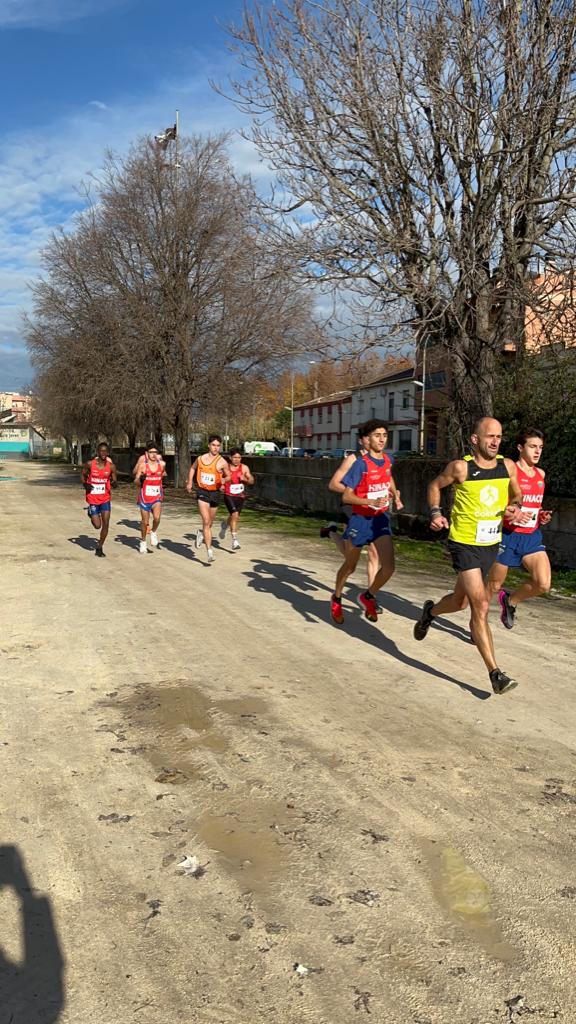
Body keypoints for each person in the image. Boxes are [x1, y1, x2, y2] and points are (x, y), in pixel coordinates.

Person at [413, 417, 529, 695]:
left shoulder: (507, 466)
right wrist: (436, 513)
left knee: (460, 601)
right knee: (480, 604)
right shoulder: (461, 468)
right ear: (475, 439)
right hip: (463, 544)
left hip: (490, 544)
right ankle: (495, 673)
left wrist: (513, 507)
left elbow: (517, 494)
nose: (495, 441)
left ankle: (430, 612)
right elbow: (433, 487)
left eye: (499, 436)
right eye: (490, 436)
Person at [330, 419, 403, 625]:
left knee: (389, 568)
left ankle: (368, 595)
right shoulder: (360, 464)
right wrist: (370, 500)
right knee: (350, 566)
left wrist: (395, 495)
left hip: (380, 520)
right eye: (377, 435)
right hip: (360, 521)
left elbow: (388, 477)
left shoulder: (388, 460)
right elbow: (346, 497)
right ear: (367, 440)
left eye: (385, 435)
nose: (382, 439)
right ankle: (336, 597)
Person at [487, 427, 553, 629]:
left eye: (540, 447)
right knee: (493, 586)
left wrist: (540, 515)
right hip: (507, 535)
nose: (537, 451)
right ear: (519, 448)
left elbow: (534, 504)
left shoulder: (540, 474)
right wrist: (511, 513)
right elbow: (493, 504)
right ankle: (478, 623)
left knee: (543, 584)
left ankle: (511, 601)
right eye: (532, 446)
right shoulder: (508, 471)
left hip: (531, 536)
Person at [320, 424, 388, 610]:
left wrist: (393, 493)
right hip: (353, 506)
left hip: (373, 509)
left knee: (375, 553)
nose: (375, 440)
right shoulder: (353, 459)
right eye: (370, 437)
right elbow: (334, 484)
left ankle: (371, 596)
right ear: (362, 441)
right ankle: (332, 532)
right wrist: (362, 493)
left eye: (380, 436)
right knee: (350, 556)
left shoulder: (381, 460)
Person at [186, 435, 231, 563]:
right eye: (213, 445)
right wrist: (190, 482)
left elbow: (229, 476)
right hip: (202, 492)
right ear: (209, 445)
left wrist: (224, 480)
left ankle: (201, 533)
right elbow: (192, 468)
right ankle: (209, 551)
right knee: (206, 521)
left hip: (215, 493)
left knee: (209, 523)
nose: (215, 448)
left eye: (218, 445)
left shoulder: (222, 462)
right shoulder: (200, 459)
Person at [81, 441, 117, 557]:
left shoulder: (111, 466)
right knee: (97, 525)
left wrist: (114, 483)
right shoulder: (90, 464)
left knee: (106, 524)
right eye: (101, 451)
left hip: (105, 498)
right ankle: (91, 513)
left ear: (108, 452)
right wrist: (85, 484)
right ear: (98, 452)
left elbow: (114, 480)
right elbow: (83, 475)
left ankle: (100, 547)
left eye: (105, 451)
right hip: (93, 498)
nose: (103, 453)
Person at [133, 442, 167, 554]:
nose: (153, 454)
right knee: (144, 522)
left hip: (156, 496)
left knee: (157, 518)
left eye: (155, 452)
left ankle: (153, 532)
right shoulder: (143, 465)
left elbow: (163, 475)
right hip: (145, 497)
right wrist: (140, 479)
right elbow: (136, 481)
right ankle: (143, 542)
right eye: (151, 452)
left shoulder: (162, 464)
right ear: (147, 454)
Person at [219, 447, 254, 550]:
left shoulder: (244, 468)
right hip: (228, 495)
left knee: (234, 516)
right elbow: (220, 479)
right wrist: (221, 485)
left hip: (240, 496)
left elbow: (252, 480)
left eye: (239, 457)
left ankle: (225, 525)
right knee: (234, 514)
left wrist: (246, 479)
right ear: (230, 458)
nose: (237, 459)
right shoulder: (226, 468)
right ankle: (234, 540)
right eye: (235, 457)